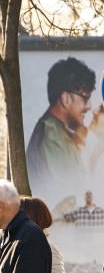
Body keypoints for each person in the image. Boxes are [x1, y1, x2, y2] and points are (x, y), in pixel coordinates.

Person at [26, 57, 103, 193]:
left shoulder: (58, 132)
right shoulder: (52, 137)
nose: (90, 106)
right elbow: (73, 190)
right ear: (65, 99)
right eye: (85, 98)